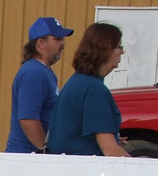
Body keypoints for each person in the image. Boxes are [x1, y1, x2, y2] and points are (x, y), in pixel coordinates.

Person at [47, 22, 131, 158]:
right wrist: (140, 168)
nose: (122, 52)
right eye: (119, 46)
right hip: (83, 168)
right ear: (105, 50)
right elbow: (110, 150)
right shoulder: (94, 89)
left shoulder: (78, 81)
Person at [5, 17, 73, 153]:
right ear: (41, 43)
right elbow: (27, 119)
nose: (63, 43)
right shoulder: (34, 73)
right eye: (57, 39)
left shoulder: (44, 72)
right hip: (27, 156)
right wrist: (44, 150)